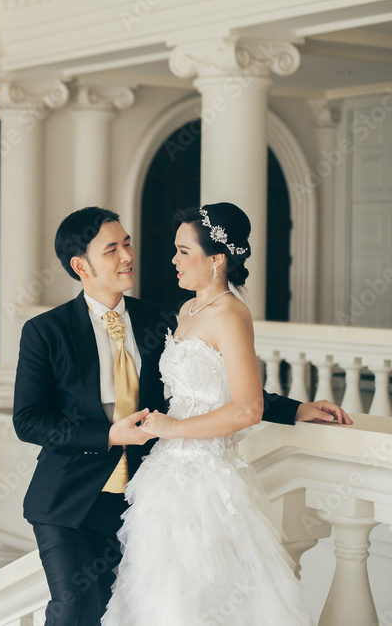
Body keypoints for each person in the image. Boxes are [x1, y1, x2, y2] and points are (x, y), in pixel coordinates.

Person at [12, 206, 350, 626]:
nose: (127, 256)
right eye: (112, 249)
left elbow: (212, 386)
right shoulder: (46, 331)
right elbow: (29, 420)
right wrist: (109, 435)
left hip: (143, 498)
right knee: (74, 611)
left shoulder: (159, 318)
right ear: (81, 265)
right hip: (70, 503)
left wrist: (296, 408)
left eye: (128, 243)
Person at [100, 202, 331, 625]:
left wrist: (176, 427)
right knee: (162, 595)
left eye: (184, 251)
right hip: (165, 476)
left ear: (217, 259)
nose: (173, 260)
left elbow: (247, 407)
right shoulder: (186, 311)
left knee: (207, 594)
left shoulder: (231, 314)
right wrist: (298, 407)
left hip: (207, 480)